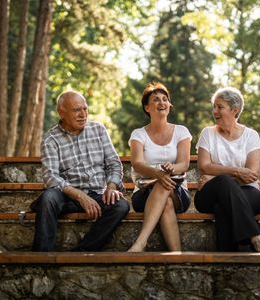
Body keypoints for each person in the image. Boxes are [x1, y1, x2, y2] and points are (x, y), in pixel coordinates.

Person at [31, 91, 129, 251]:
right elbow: (51, 177)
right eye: (77, 110)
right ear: (61, 113)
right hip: (67, 196)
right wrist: (80, 195)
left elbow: (114, 164)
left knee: (120, 206)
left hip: (97, 194)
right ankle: (41, 256)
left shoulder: (98, 130)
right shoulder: (51, 139)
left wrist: (111, 187)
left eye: (85, 109)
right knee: (48, 198)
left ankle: (82, 251)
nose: (83, 114)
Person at [194, 87, 260, 252]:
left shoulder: (251, 135)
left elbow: (251, 174)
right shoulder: (208, 133)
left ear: (234, 110)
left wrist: (216, 175)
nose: (214, 111)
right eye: (214, 107)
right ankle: (255, 237)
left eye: (219, 107)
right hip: (208, 196)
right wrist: (236, 172)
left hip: (249, 193)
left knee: (223, 205)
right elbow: (203, 166)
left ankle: (227, 263)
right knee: (224, 182)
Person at [127, 82, 192, 252]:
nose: (162, 102)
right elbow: (137, 163)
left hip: (178, 191)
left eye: (165, 99)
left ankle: (141, 242)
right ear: (147, 108)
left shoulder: (181, 131)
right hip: (143, 193)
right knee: (165, 198)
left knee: (165, 184)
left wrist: (172, 168)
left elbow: (184, 164)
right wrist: (158, 174)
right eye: (156, 100)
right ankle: (177, 255)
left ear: (169, 106)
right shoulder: (138, 134)